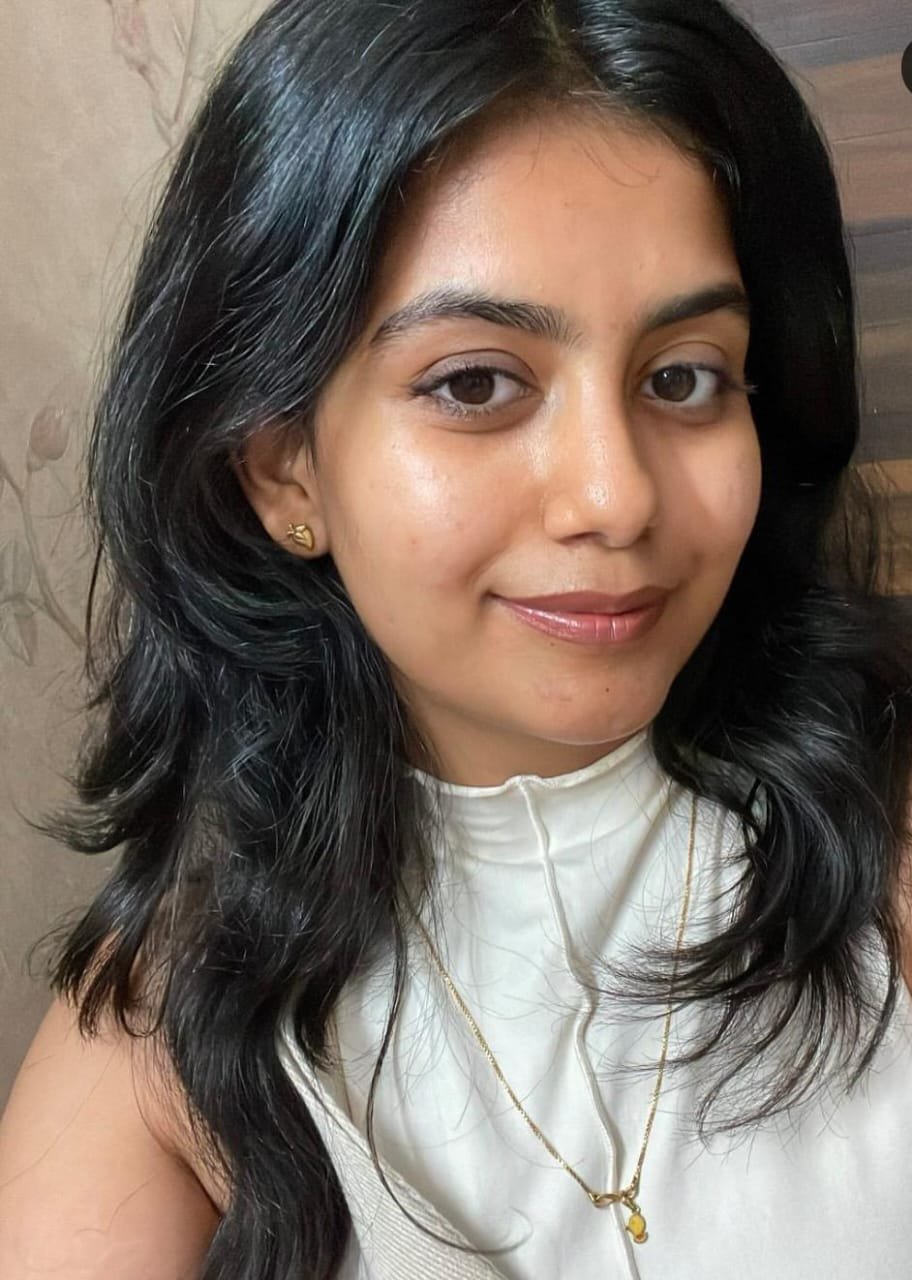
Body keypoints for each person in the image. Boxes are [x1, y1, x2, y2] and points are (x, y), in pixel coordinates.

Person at [1, 0, 911, 1276]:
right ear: (282, 466)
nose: (616, 497)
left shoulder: (884, 826)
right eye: (475, 382)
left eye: (683, 377)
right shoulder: (162, 1033)